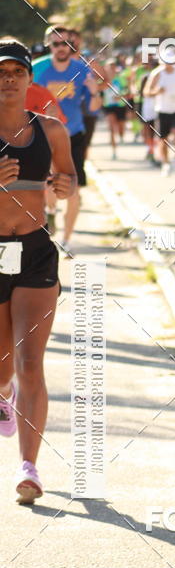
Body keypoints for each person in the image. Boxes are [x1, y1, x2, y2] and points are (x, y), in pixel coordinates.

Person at [0, 39, 76, 503]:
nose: (7, 78)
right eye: (0, 71)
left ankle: (29, 468)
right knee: (3, 364)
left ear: (30, 80)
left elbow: (65, 183)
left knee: (31, 362)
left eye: (16, 71)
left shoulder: (51, 130)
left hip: (33, 250)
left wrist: (63, 186)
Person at [33, 25, 101, 255]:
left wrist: (95, 92)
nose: (61, 48)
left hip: (73, 135)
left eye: (66, 43)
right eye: (56, 43)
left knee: (74, 190)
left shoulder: (82, 70)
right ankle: (50, 213)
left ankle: (67, 240)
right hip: (43, 135)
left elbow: (93, 108)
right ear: (48, 45)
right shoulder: (37, 69)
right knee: (46, 186)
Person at [145, 54, 175, 175]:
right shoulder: (157, 74)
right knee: (163, 139)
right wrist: (156, 91)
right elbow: (146, 92)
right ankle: (166, 163)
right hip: (162, 110)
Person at [102, 60, 128, 159]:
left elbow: (126, 90)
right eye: (109, 67)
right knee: (112, 128)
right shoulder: (102, 79)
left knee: (120, 127)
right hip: (108, 107)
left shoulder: (121, 79)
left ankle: (121, 136)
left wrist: (120, 96)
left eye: (113, 67)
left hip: (120, 106)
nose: (111, 70)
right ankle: (114, 151)